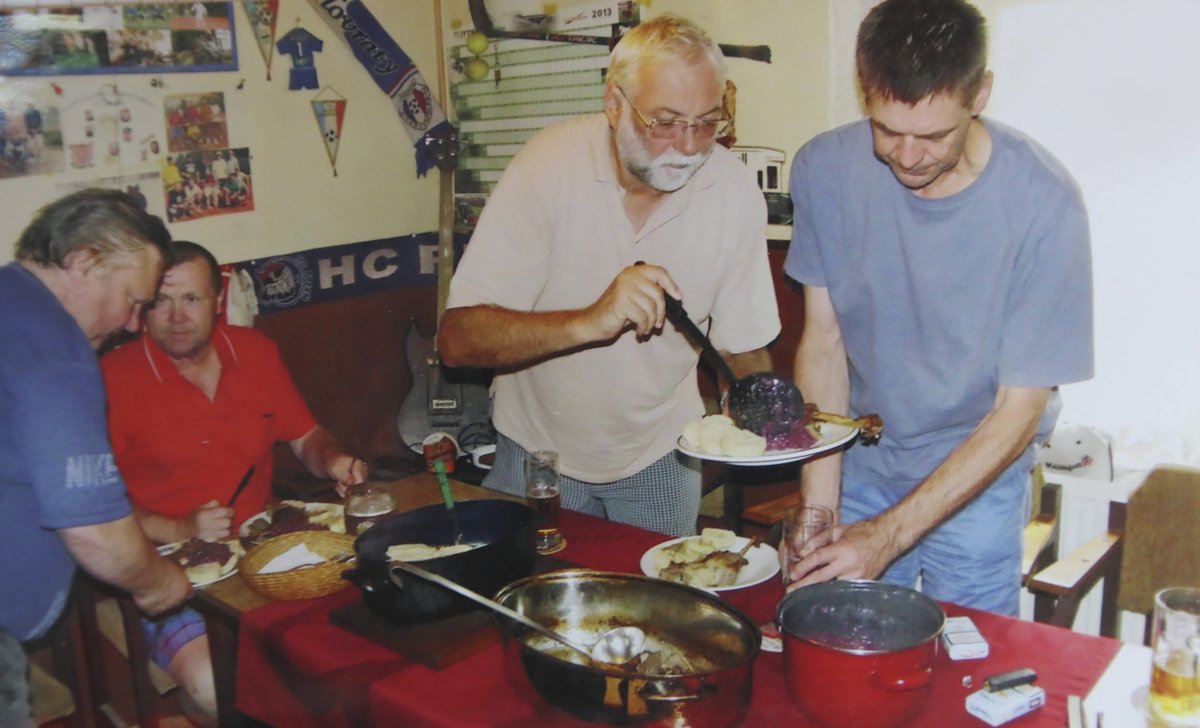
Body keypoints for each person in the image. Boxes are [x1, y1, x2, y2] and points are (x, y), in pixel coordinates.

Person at [782, 0, 1093, 615]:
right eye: (886, 130)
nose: (907, 155)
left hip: (979, 466)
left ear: (980, 94)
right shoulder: (823, 169)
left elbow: (1019, 410)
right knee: (843, 641)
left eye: (933, 135)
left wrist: (891, 535)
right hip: (862, 455)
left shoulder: (1044, 203)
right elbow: (823, 345)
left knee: (968, 659)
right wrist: (821, 507)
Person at [437, 14, 780, 537]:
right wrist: (591, 321)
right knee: (524, 600)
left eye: (708, 121)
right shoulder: (548, 166)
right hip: (537, 450)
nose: (688, 147)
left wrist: (760, 402)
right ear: (615, 104)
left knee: (663, 606)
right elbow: (458, 340)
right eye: (664, 121)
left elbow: (743, 346)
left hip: (661, 452)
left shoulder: (732, 193)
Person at [101, 240, 366, 724]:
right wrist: (181, 527)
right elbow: (97, 508)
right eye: (162, 300)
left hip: (266, 548)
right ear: (142, 306)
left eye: (192, 299)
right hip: (164, 566)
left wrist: (332, 459)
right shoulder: (111, 378)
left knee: (346, 651)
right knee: (216, 684)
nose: (177, 316)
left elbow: (306, 436)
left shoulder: (256, 352)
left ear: (218, 300)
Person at [0, 189, 193, 726]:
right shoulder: (55, 349)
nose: (134, 323)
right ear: (84, 262)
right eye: (134, 300)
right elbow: (95, 532)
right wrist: (159, 582)